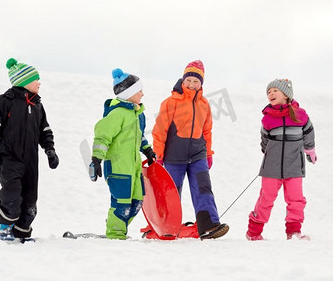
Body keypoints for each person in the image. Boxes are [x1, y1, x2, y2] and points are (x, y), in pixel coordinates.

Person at [152, 60, 229, 240]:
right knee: (170, 192)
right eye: (189, 80)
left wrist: (208, 153)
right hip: (173, 156)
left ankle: (209, 226)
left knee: (203, 188)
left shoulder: (204, 104)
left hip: (197, 155)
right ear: (183, 79)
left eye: (196, 81)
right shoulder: (170, 102)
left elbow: (206, 131)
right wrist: (159, 155)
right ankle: (165, 227)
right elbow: (159, 131)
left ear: (201, 83)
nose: (192, 84)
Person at [0, 58, 59, 241]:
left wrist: (50, 150)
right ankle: (5, 228)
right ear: (24, 81)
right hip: (9, 158)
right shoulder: (7, 102)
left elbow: (45, 130)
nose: (39, 83)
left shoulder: (38, 105)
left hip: (31, 160)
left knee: (30, 200)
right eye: (36, 80)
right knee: (12, 195)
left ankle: (21, 232)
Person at [89, 68, 156, 240]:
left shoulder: (138, 114)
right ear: (129, 93)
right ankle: (115, 234)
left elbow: (139, 137)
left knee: (136, 202)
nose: (142, 94)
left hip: (133, 168)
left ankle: (118, 229)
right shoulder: (117, 113)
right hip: (118, 168)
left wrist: (147, 150)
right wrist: (96, 159)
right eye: (139, 90)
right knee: (121, 203)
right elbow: (102, 136)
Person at [246, 78, 316, 241]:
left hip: (294, 165)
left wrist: (309, 149)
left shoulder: (300, 114)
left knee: (296, 199)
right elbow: (264, 139)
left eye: (274, 91)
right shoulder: (268, 118)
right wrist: (267, 153)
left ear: (286, 94)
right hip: (272, 166)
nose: (271, 94)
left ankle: (293, 232)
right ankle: (254, 232)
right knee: (266, 198)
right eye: (268, 92)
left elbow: (309, 132)